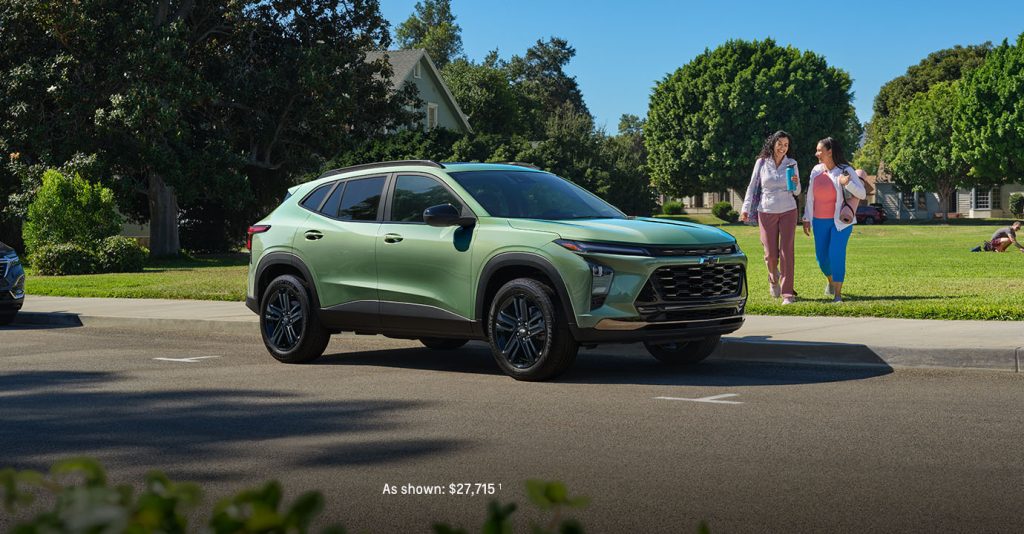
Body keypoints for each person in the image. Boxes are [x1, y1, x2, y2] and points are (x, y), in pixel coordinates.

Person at [740, 131, 801, 305]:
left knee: (786, 252)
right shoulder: (761, 163)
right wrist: (745, 208)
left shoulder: (792, 163)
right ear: (773, 144)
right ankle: (773, 278)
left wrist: (796, 183)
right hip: (766, 210)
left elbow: (796, 191)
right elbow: (752, 187)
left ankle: (788, 293)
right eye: (780, 144)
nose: (783, 148)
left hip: (789, 210)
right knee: (770, 254)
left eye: (786, 145)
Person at [802, 137, 865, 303]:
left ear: (829, 152)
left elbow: (862, 194)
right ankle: (830, 282)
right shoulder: (816, 170)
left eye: (819, 150)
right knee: (822, 259)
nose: (817, 154)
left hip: (840, 222)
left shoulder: (845, 170)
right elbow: (810, 197)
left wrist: (847, 184)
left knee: (836, 254)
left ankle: (838, 295)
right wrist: (806, 217)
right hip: (819, 221)